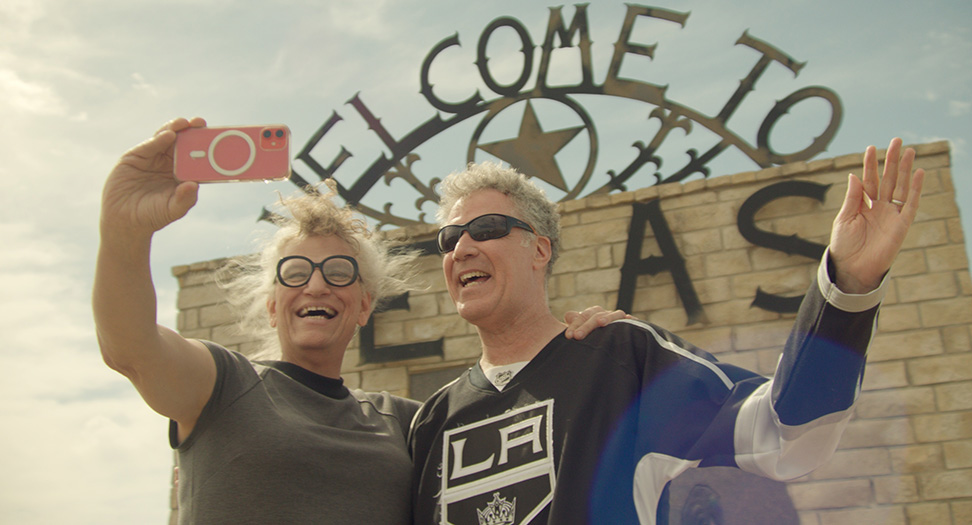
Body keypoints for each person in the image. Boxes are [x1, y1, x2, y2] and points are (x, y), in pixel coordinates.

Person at [92, 117, 622, 523]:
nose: (316, 285)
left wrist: (582, 342)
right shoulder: (222, 385)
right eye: (295, 272)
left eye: (338, 272)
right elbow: (129, 346)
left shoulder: (413, 422)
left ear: (365, 304)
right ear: (273, 302)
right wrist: (124, 232)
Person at [408, 138, 925, 524]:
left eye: (487, 229)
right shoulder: (432, 421)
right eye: (449, 238)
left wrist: (848, 287)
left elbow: (784, 435)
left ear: (540, 250)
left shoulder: (623, 361)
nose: (462, 248)